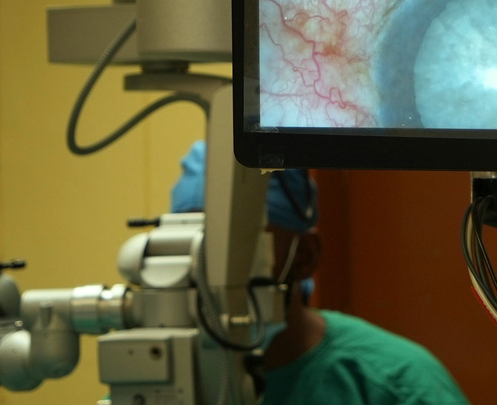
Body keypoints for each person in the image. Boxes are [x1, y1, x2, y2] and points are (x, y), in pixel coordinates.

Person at [171, 141, 471, 405]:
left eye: (240, 251)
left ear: (305, 256)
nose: (210, 272)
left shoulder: (395, 384)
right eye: (194, 248)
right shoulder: (154, 371)